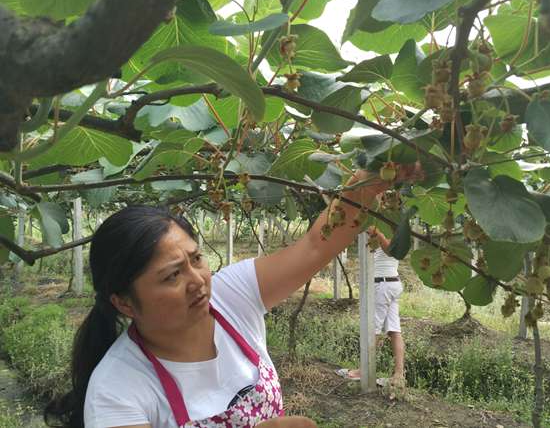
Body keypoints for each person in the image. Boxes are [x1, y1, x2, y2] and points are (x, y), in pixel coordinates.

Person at [44, 165, 420, 428]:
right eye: (172, 275)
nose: (197, 281)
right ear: (124, 302)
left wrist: (371, 179)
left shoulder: (229, 297)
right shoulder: (117, 389)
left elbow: (314, 246)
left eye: (196, 259)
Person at [336, 226, 405, 388]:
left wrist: (378, 232)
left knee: (372, 329)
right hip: (390, 283)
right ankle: (399, 376)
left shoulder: (391, 229)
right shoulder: (395, 227)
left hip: (383, 285)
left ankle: (364, 371)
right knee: (394, 331)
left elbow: (390, 250)